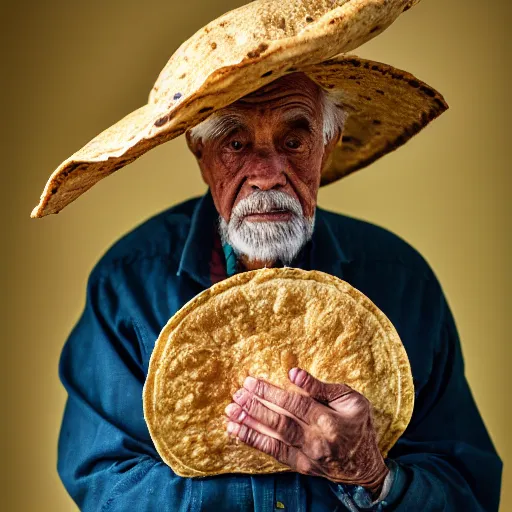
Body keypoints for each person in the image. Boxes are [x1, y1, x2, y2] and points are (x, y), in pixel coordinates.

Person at [32, 1, 502, 510]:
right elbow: (105, 481)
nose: (267, 172)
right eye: (236, 142)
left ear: (328, 143)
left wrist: (369, 474)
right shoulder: (128, 287)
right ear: (199, 149)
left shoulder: (403, 281)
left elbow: (468, 488)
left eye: (294, 138)